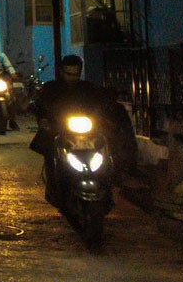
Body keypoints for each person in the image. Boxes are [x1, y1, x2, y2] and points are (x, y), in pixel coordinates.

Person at [30, 55, 138, 201]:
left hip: (86, 129)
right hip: (60, 129)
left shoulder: (87, 88)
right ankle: (54, 186)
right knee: (50, 149)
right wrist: (44, 119)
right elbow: (41, 105)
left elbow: (100, 102)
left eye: (76, 74)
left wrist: (104, 114)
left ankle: (110, 185)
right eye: (69, 74)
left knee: (107, 144)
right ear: (62, 72)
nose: (72, 78)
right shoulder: (52, 88)